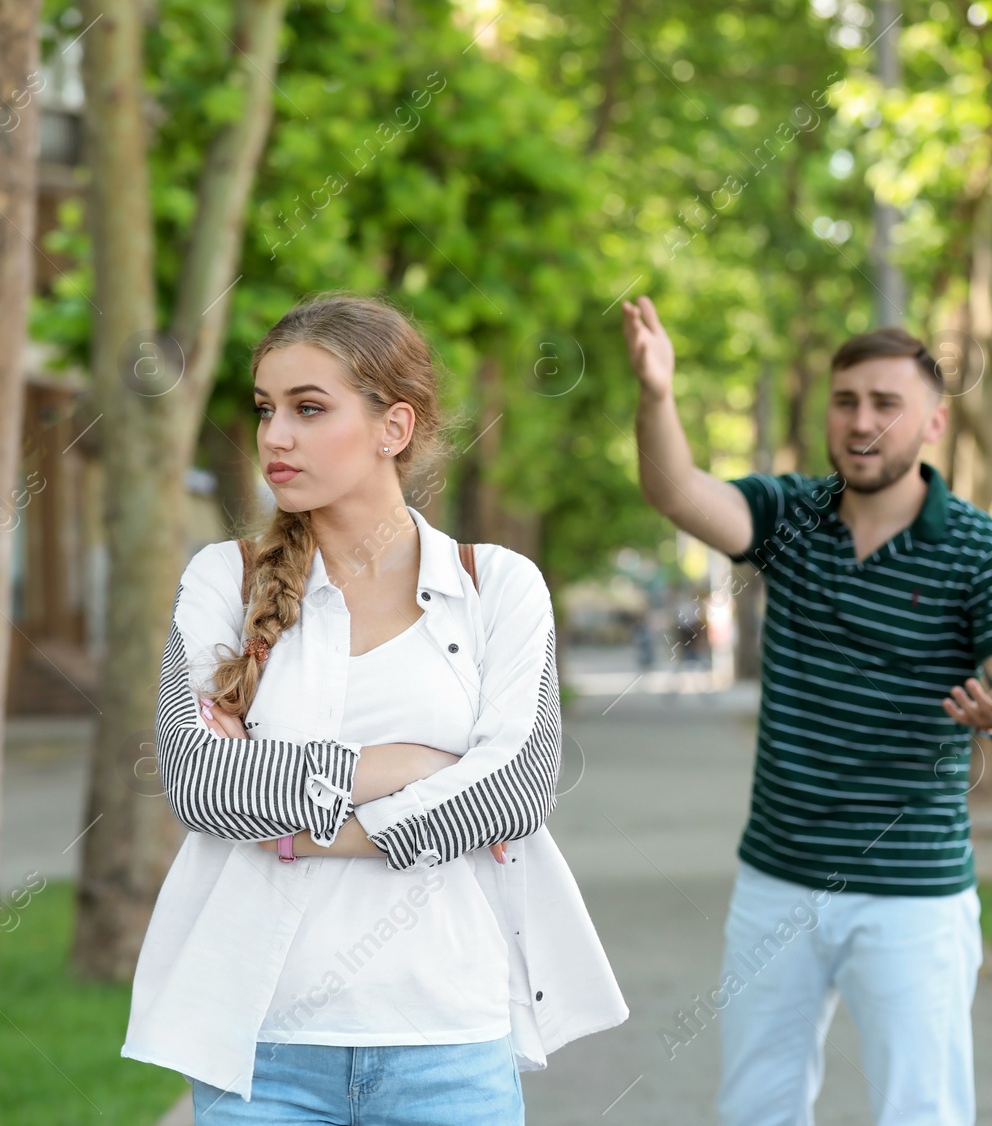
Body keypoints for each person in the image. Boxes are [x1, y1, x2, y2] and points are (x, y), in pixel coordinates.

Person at [122, 294, 626, 1124]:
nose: (274, 437)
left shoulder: (496, 586)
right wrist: (394, 769)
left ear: (394, 427)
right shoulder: (224, 579)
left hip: (450, 1044)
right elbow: (200, 785)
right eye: (266, 409)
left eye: (309, 409)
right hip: (261, 1051)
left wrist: (289, 829)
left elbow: (517, 794)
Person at [622, 296, 992, 1126]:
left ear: (932, 422)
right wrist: (656, 394)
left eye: (887, 404)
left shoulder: (983, 550)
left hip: (911, 893)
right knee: (756, 1107)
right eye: (847, 401)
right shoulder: (790, 516)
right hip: (775, 878)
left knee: (921, 1112)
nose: (863, 422)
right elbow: (675, 491)